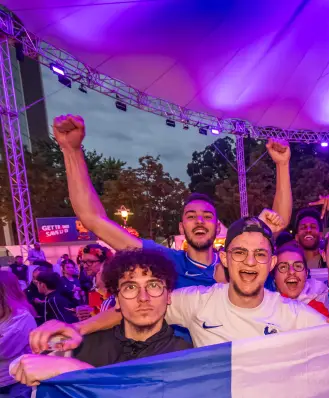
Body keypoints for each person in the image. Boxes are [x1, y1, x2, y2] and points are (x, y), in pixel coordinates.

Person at [53, 114, 292, 288]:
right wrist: (71, 151)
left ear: (218, 227)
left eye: (208, 217)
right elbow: (92, 219)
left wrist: (282, 165)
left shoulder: (239, 261)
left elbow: (278, 223)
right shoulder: (166, 261)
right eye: (191, 216)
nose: (199, 221)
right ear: (181, 227)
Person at [30, 218, 328, 353]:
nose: (250, 262)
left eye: (260, 254)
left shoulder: (295, 315)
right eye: (239, 252)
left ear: (272, 263)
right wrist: (78, 328)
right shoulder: (197, 302)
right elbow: (136, 309)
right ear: (224, 257)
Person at [12, 250, 191, 386]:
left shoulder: (186, 356)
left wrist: (77, 371)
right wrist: (45, 341)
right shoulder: (82, 344)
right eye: (130, 287)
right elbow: (21, 364)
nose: (143, 297)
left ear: (168, 296)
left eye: (153, 285)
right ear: (117, 300)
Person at [272, 242, 329, 316]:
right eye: (283, 267)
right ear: (274, 277)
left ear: (306, 274)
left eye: (298, 266)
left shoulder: (319, 311)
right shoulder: (265, 310)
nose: (292, 271)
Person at [78, 243, 112, 320]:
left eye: (90, 262)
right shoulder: (92, 279)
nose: (85, 266)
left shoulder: (114, 283)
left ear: (105, 263)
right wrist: (89, 312)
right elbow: (96, 309)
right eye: (83, 262)